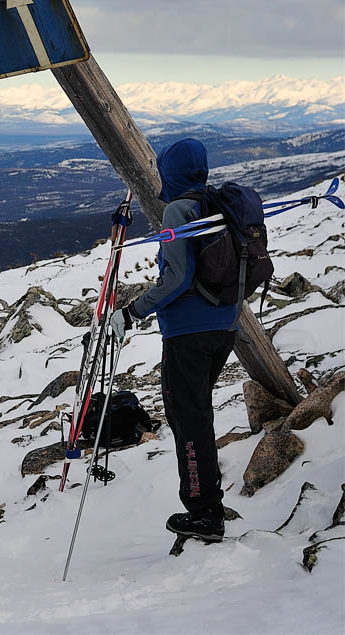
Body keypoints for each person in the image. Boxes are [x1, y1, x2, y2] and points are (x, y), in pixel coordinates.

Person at [109, 138, 235, 542]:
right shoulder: (217, 204)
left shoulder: (178, 210)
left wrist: (131, 312)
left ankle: (204, 513)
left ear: (170, 172)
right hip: (224, 326)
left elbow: (176, 278)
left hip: (189, 333)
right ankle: (210, 503)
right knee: (197, 412)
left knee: (188, 418)